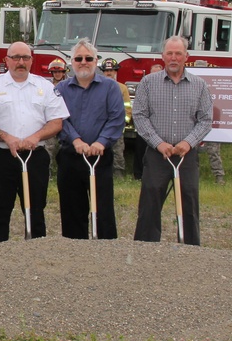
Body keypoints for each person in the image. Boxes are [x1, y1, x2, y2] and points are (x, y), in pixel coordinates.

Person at [0, 41, 69, 243]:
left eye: (25, 57)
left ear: (31, 60)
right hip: (1, 156)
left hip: (35, 156)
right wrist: (7, 138)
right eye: (16, 57)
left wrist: (35, 137)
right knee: (0, 209)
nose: (21, 62)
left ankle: (37, 254)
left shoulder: (45, 87)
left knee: (36, 209)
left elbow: (57, 122)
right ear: (6, 60)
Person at [133, 37, 213, 245]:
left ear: (187, 57)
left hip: (186, 155)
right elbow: (140, 116)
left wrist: (188, 142)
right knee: (150, 203)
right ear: (163, 56)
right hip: (157, 154)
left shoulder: (200, 86)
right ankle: (145, 248)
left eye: (178, 53)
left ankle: (190, 250)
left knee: (189, 203)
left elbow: (205, 120)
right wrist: (158, 143)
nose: (174, 58)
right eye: (169, 53)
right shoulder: (148, 83)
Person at [56, 40, 126, 239]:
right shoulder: (61, 88)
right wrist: (76, 140)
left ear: (96, 61)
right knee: (72, 209)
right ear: (72, 62)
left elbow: (117, 118)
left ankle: (105, 253)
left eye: (88, 58)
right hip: (71, 155)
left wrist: (101, 142)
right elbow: (59, 118)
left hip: (100, 157)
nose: (83, 62)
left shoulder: (111, 87)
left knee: (102, 209)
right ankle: (75, 251)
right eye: (78, 58)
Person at [100, 58, 132, 179]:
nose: (109, 73)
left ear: (116, 71)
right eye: (106, 70)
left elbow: (127, 107)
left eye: (111, 70)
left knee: (118, 151)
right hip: (100, 127)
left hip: (116, 128)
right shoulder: (97, 86)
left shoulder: (122, 88)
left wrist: (123, 123)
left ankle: (118, 174)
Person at [132, 63, 164, 180]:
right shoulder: (144, 86)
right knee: (140, 150)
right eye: (153, 73)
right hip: (144, 125)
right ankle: (138, 175)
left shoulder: (166, 88)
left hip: (159, 126)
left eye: (158, 73)